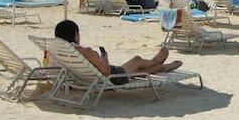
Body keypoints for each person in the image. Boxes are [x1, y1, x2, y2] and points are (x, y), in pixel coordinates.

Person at [53, 20, 182, 83]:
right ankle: (155, 62)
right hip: (110, 78)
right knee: (137, 60)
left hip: (86, 78)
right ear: (75, 34)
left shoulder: (58, 50)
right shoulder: (85, 51)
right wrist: (104, 58)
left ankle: (163, 66)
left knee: (138, 71)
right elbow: (106, 72)